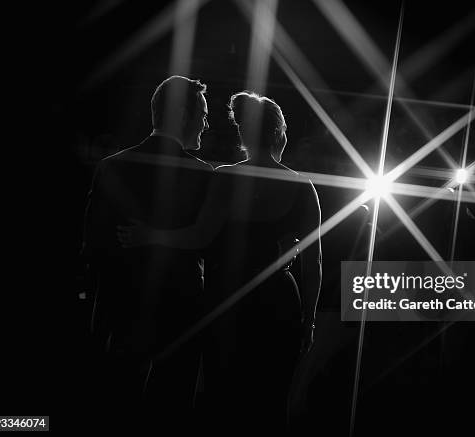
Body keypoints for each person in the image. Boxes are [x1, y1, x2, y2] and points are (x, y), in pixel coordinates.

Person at [117, 91, 322, 431]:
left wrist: (151, 234)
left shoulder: (226, 177)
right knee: (272, 402)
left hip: (228, 303)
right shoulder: (303, 186)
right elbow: (313, 262)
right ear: (279, 133)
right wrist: (309, 320)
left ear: (243, 134)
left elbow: (198, 236)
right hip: (279, 303)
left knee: (223, 399)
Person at [82, 76, 212, 416]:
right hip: (180, 317)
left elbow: (93, 248)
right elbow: (210, 245)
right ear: (182, 113)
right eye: (203, 112)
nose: (206, 122)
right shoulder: (203, 174)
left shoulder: (112, 166)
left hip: (120, 314)